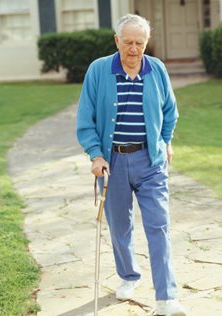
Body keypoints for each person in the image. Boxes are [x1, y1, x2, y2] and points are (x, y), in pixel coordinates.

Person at [77, 13, 187, 316]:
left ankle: (167, 298)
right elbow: (86, 120)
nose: (134, 49)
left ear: (146, 42)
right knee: (120, 227)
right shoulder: (99, 71)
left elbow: (170, 111)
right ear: (116, 41)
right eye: (128, 42)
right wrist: (95, 155)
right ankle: (128, 276)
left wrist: (165, 142)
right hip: (111, 163)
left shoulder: (157, 70)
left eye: (140, 43)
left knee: (158, 226)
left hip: (150, 161)